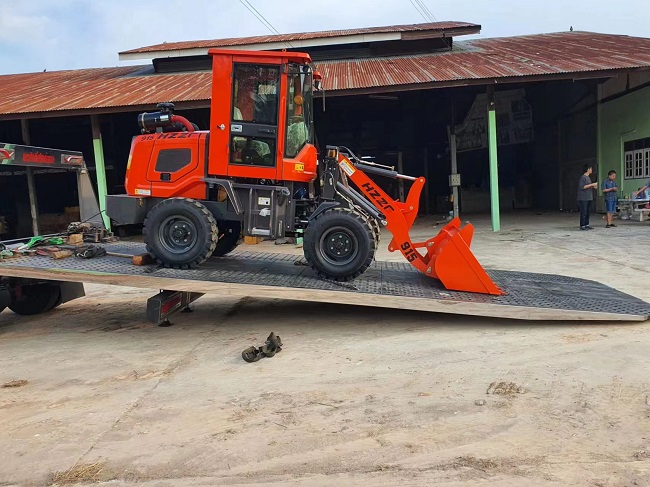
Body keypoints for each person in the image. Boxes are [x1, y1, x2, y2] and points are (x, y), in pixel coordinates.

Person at [577, 164, 598, 230]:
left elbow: (588, 186)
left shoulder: (588, 177)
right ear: (587, 169)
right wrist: (592, 184)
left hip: (589, 197)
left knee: (588, 212)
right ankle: (582, 225)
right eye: (590, 169)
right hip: (583, 198)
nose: (591, 170)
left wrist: (593, 186)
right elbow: (582, 187)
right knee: (584, 212)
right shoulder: (583, 177)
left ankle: (587, 224)